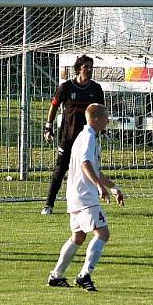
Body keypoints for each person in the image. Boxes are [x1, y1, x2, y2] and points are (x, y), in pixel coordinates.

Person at [47, 103, 124, 291]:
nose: (108, 121)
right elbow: (85, 164)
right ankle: (84, 275)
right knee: (103, 233)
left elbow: (95, 170)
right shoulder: (88, 136)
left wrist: (113, 188)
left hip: (75, 195)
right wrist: (99, 187)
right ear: (96, 119)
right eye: (106, 118)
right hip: (84, 196)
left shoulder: (86, 137)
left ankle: (56, 275)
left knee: (78, 237)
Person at [41, 55, 104, 215]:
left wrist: (102, 130)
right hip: (68, 137)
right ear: (78, 69)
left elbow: (101, 112)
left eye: (91, 67)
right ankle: (49, 204)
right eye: (86, 67)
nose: (89, 70)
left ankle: (90, 203)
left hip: (87, 138)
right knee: (60, 169)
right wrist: (48, 127)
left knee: (90, 169)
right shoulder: (66, 87)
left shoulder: (96, 89)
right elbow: (54, 106)